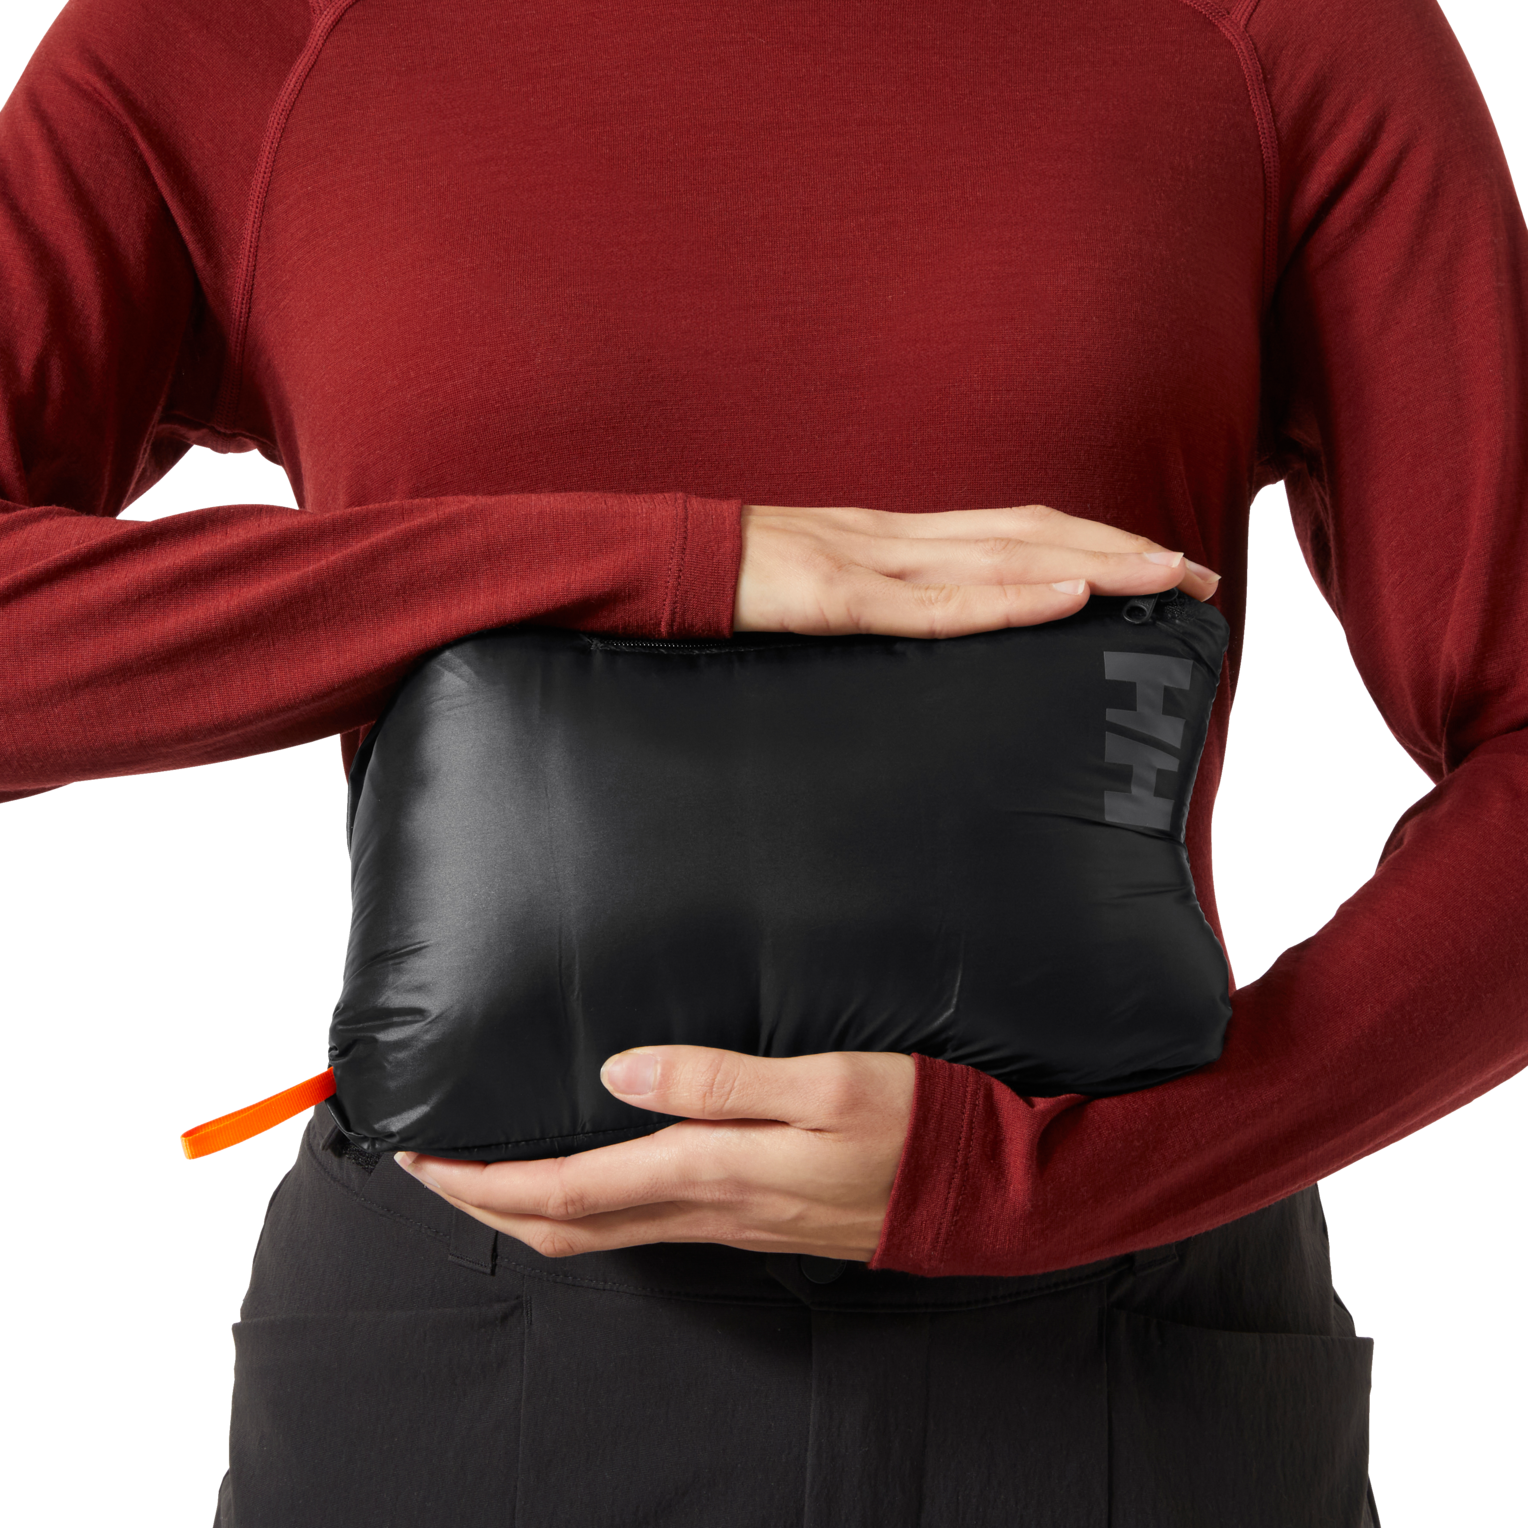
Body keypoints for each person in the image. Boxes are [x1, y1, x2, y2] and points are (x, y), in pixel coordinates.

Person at [2, 0, 1524, 1523]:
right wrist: (678, 566)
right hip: (471, 1344)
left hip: (1120, 1340)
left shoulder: (1280, 33)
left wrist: (1063, 1177)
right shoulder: (242, 35)